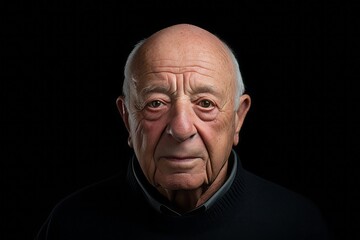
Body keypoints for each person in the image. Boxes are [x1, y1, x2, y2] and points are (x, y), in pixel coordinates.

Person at [35, 23, 329, 240]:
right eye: (156, 103)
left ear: (238, 118)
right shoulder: (70, 226)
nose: (181, 128)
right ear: (127, 119)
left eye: (205, 103)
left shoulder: (297, 225)